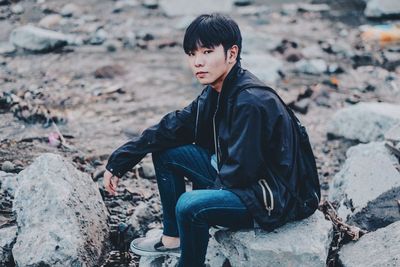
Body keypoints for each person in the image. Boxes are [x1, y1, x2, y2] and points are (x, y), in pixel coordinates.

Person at [103, 13, 321, 267]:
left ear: (231, 54)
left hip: (273, 198)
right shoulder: (216, 92)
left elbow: (242, 174)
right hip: (242, 179)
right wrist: (121, 159)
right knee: (166, 153)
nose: (198, 62)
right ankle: (174, 239)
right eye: (192, 54)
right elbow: (173, 126)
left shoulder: (251, 101)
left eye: (207, 52)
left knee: (189, 205)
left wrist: (202, 199)